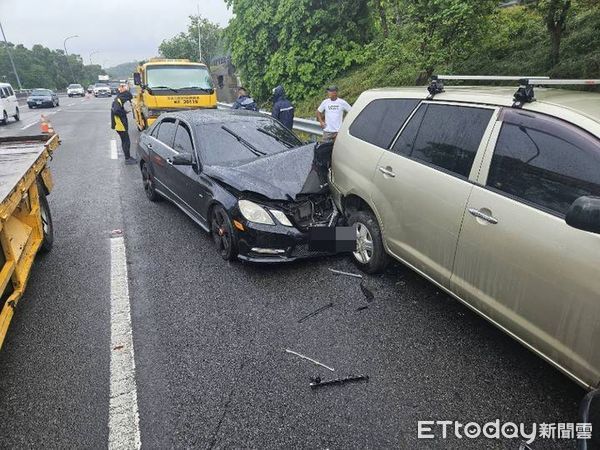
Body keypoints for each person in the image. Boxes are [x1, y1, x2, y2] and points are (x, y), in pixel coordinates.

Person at [111, 83, 136, 164]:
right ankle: (127, 159)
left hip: (120, 123)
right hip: (120, 124)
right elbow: (116, 111)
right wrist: (125, 112)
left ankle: (127, 157)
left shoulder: (119, 99)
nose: (128, 101)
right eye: (128, 99)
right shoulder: (118, 100)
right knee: (126, 141)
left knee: (125, 140)